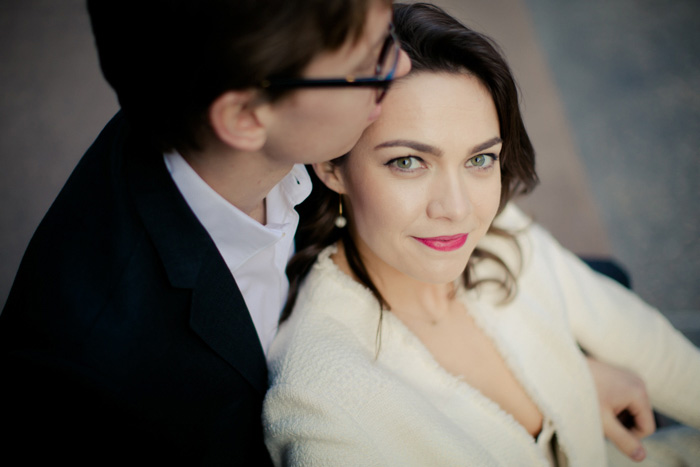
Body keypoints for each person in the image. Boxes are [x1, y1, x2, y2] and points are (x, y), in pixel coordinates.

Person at [262, 3, 700, 466]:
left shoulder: (503, 231)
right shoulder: (321, 404)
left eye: (479, 160)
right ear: (332, 164)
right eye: (408, 162)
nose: (457, 209)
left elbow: (659, 353)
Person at [0, 0, 410, 464]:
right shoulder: (96, 372)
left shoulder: (255, 107)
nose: (402, 65)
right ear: (246, 118)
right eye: (365, 67)